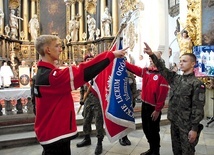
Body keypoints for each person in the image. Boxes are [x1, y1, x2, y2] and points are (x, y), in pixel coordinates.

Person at [33, 35, 127, 155]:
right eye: (57, 46)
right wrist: (111, 55)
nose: (61, 49)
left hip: (50, 131)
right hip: (55, 134)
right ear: (47, 50)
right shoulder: (53, 77)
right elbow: (83, 71)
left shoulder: (42, 74)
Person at [144, 42, 205, 155]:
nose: (181, 63)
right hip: (174, 123)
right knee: (176, 151)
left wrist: (194, 129)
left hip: (187, 126)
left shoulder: (197, 84)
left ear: (193, 64)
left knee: (187, 152)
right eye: (180, 61)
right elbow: (162, 68)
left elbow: (198, 109)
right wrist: (152, 54)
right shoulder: (175, 78)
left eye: (184, 61)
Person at [125, 52, 169, 155]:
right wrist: (123, 61)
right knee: (146, 128)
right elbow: (134, 68)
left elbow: (162, 95)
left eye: (152, 59)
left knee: (154, 130)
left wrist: (157, 110)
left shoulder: (163, 74)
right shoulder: (146, 71)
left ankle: (156, 151)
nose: (150, 61)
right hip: (145, 105)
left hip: (153, 108)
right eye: (150, 59)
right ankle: (151, 148)